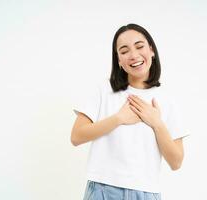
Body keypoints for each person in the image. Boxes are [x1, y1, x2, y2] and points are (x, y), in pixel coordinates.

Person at [71, 23, 189, 200]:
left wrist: (157, 123)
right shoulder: (104, 90)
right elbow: (77, 136)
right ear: (118, 60)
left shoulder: (167, 99)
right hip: (103, 190)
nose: (133, 55)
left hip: (146, 193)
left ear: (151, 51)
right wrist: (119, 118)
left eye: (139, 46)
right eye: (124, 51)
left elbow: (176, 162)